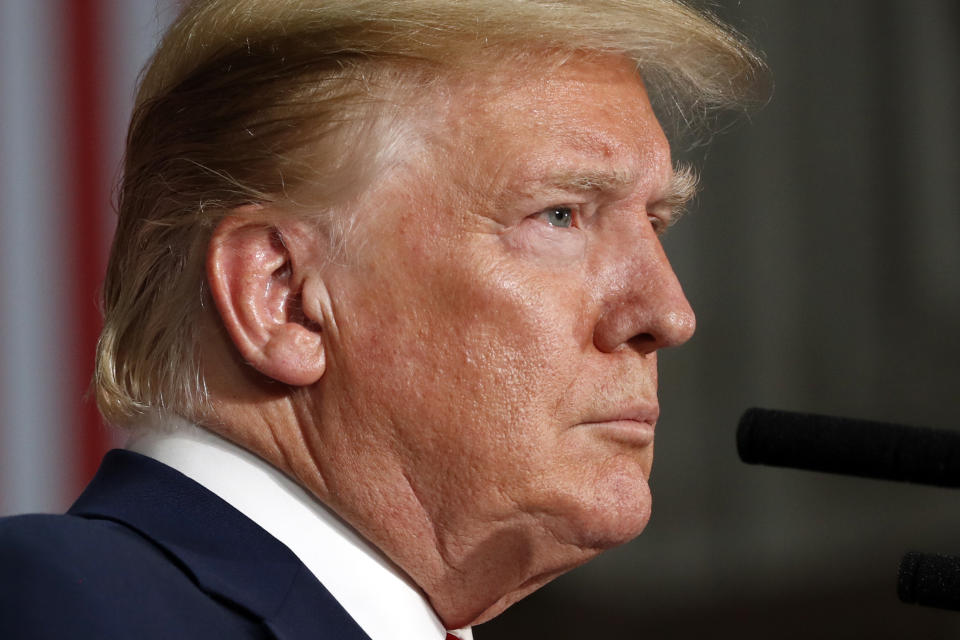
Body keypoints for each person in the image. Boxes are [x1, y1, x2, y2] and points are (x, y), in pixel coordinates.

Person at [0, 1, 766, 638]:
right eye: (560, 215)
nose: (668, 313)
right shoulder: (62, 605)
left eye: (657, 220)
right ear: (286, 297)